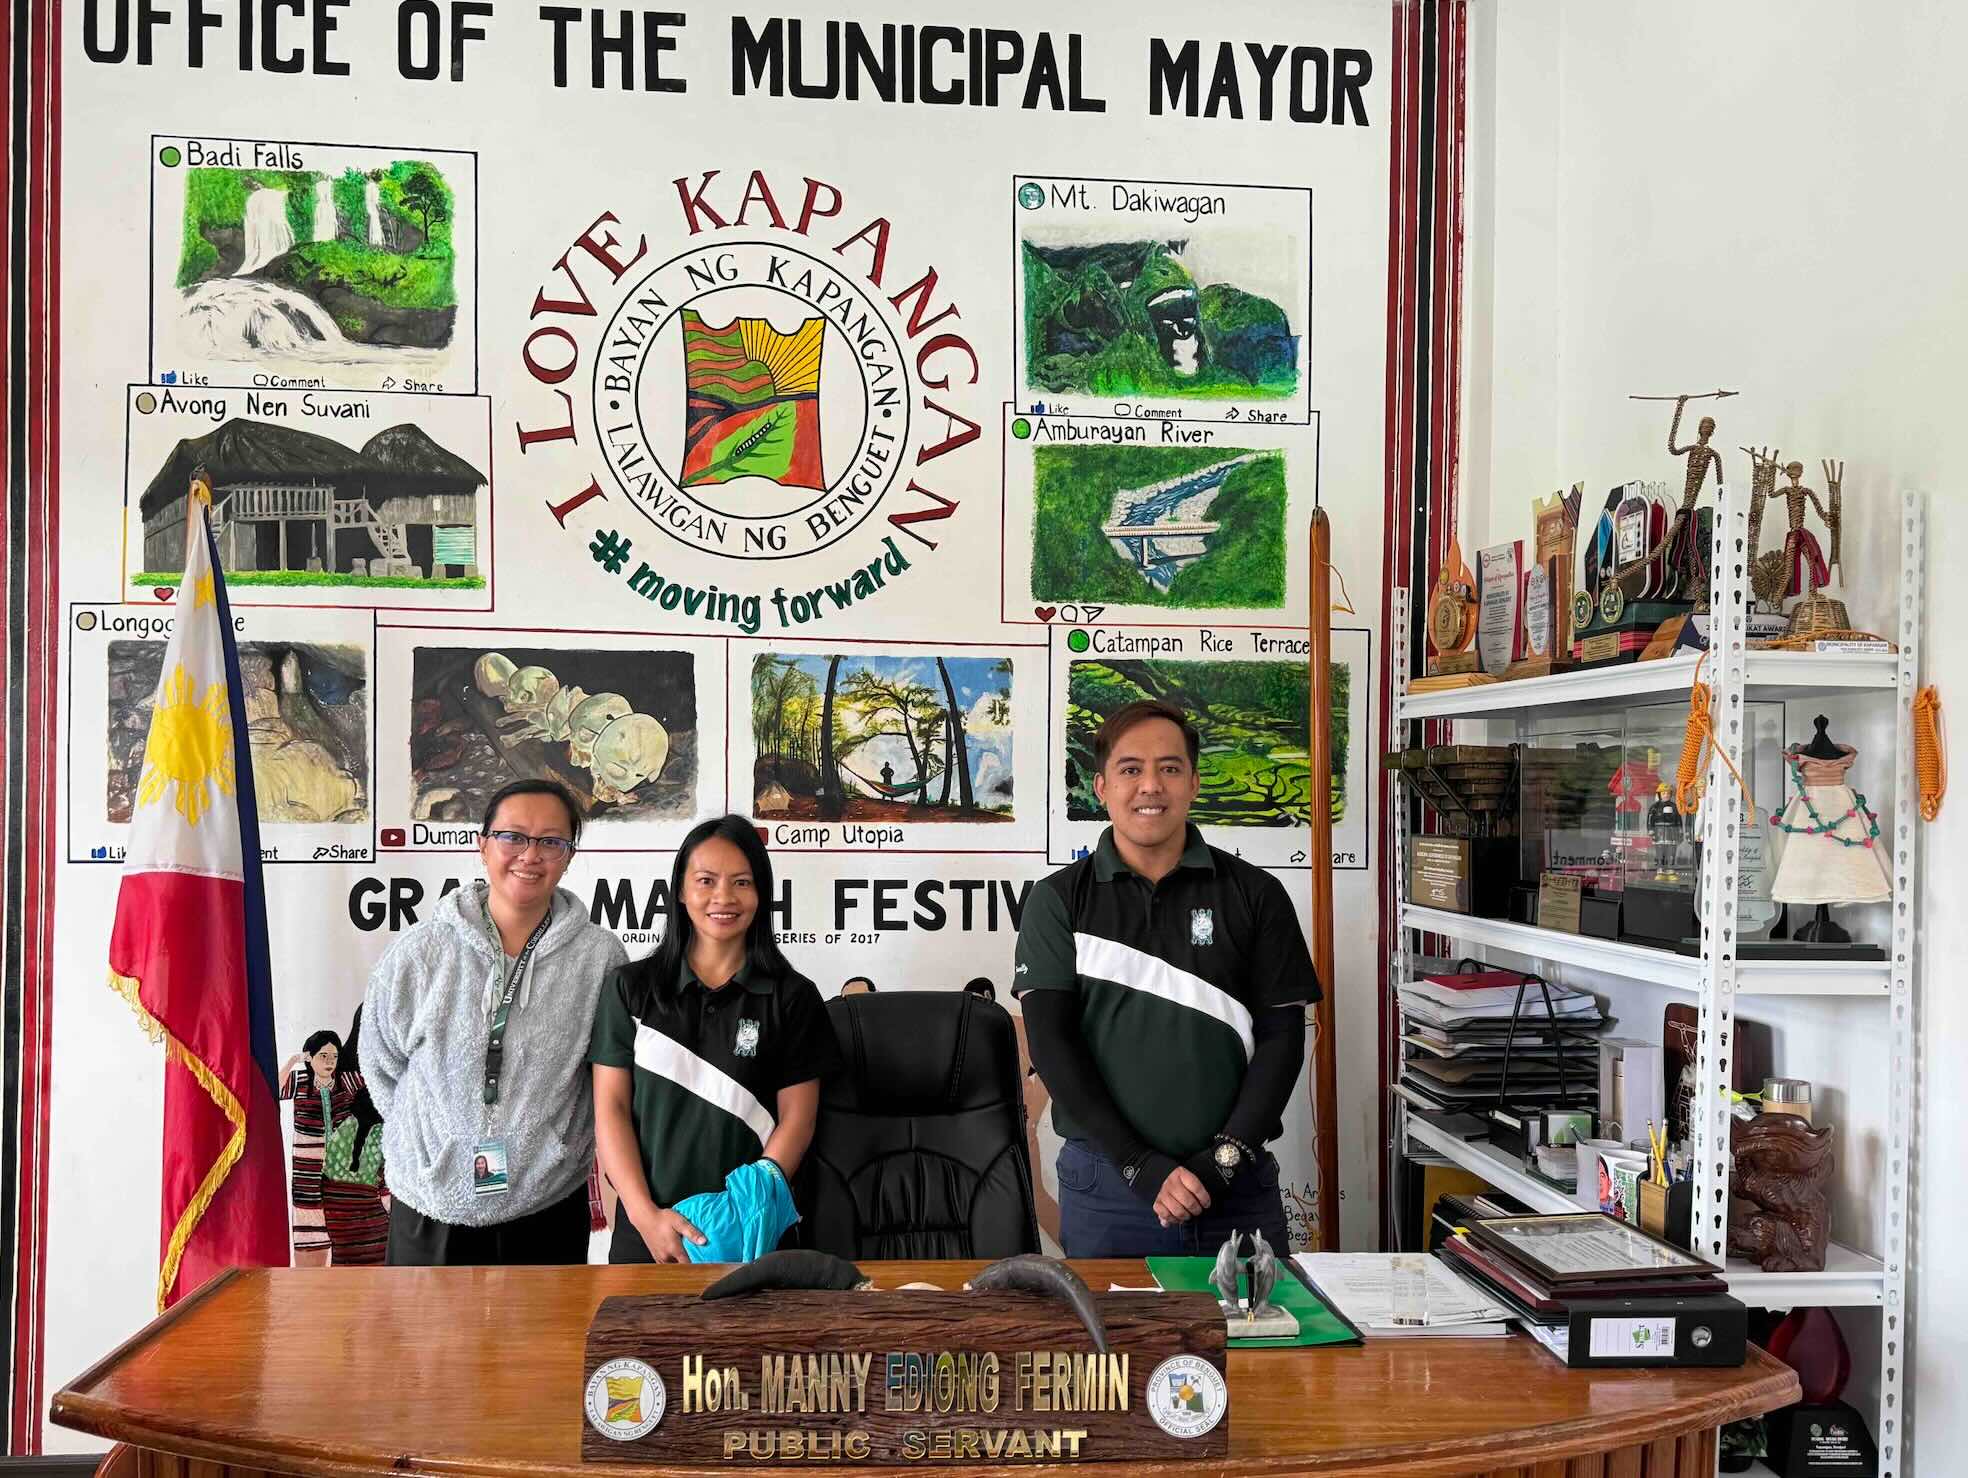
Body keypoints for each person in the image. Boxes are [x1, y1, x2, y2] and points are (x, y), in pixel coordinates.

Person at [1015, 700, 1318, 1257]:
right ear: (1102, 787)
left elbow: (1283, 1041)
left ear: (1194, 783)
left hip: (1236, 1187)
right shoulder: (1058, 900)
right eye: (1131, 769)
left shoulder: (1257, 894)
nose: (1150, 786)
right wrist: (1139, 1164)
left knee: (1256, 1319)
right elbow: (1053, 1047)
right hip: (1108, 1189)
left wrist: (1223, 1162)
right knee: (1109, 1322)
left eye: (1170, 768)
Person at [363, 779, 627, 1266]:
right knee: (422, 1322)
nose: (530, 855)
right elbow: (382, 1065)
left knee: (543, 1323)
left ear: (569, 855)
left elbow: (605, 1076)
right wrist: (433, 1146)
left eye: (551, 841)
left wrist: (555, 1148)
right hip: (430, 1202)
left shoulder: (599, 958)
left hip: (545, 1201)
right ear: (482, 845)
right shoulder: (421, 952)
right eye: (513, 837)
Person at [591, 815, 841, 1263]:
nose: (723, 897)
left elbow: (797, 1121)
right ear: (681, 891)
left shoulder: (793, 997)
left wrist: (741, 1217)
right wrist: (646, 1217)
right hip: (648, 1234)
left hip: (754, 1236)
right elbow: (610, 1109)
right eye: (706, 881)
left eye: (742, 882)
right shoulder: (630, 989)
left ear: (761, 894)